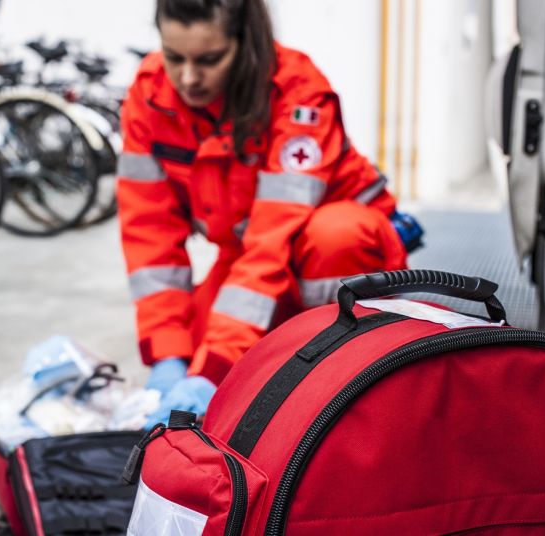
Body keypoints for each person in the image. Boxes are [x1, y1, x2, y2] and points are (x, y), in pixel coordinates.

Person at [117, 0, 419, 427]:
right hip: (249, 255)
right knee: (198, 352)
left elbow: (272, 241)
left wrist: (214, 370)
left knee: (334, 236)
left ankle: (342, 370)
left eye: (209, 59)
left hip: (335, 253)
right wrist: (169, 355)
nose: (187, 78)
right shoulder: (150, 96)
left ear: (246, 45)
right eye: (174, 56)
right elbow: (150, 240)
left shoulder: (298, 94)